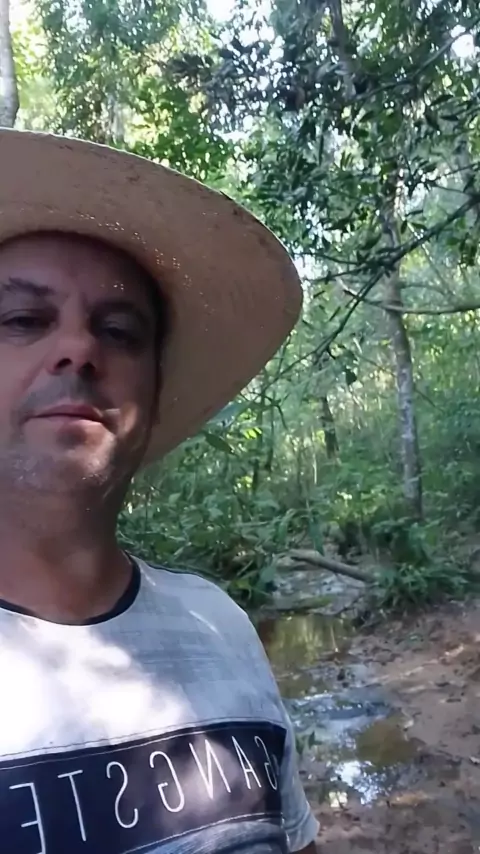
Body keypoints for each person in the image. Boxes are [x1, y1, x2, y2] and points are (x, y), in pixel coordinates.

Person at [0, 127, 319, 854]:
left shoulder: (222, 626)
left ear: (152, 391)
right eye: (22, 320)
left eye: (119, 331)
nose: (79, 349)